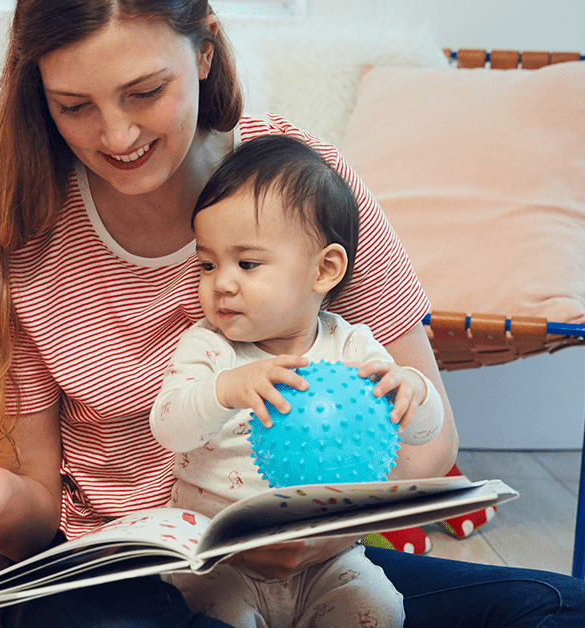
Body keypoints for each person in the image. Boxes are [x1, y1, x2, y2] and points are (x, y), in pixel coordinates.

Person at [0, 1, 585, 626]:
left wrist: (317, 529)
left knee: (578, 616)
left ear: (204, 52)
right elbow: (33, 505)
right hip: (123, 575)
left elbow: (431, 440)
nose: (117, 135)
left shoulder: (302, 185)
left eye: (143, 92)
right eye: (75, 107)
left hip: (316, 562)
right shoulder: (16, 233)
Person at [150, 134, 444, 627]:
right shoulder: (209, 348)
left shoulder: (352, 347)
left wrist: (414, 393)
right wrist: (226, 390)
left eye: (247, 263)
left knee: (380, 608)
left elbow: (423, 434)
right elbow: (169, 428)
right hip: (218, 563)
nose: (221, 282)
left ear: (324, 269)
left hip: (326, 557)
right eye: (207, 263)